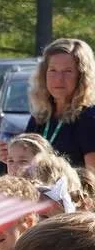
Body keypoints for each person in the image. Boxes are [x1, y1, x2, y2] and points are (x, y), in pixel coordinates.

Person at [24, 38, 95, 170]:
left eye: (68, 71)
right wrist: (12, 158)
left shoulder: (89, 117)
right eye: (53, 70)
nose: (59, 79)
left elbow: (92, 178)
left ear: (82, 76)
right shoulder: (39, 117)